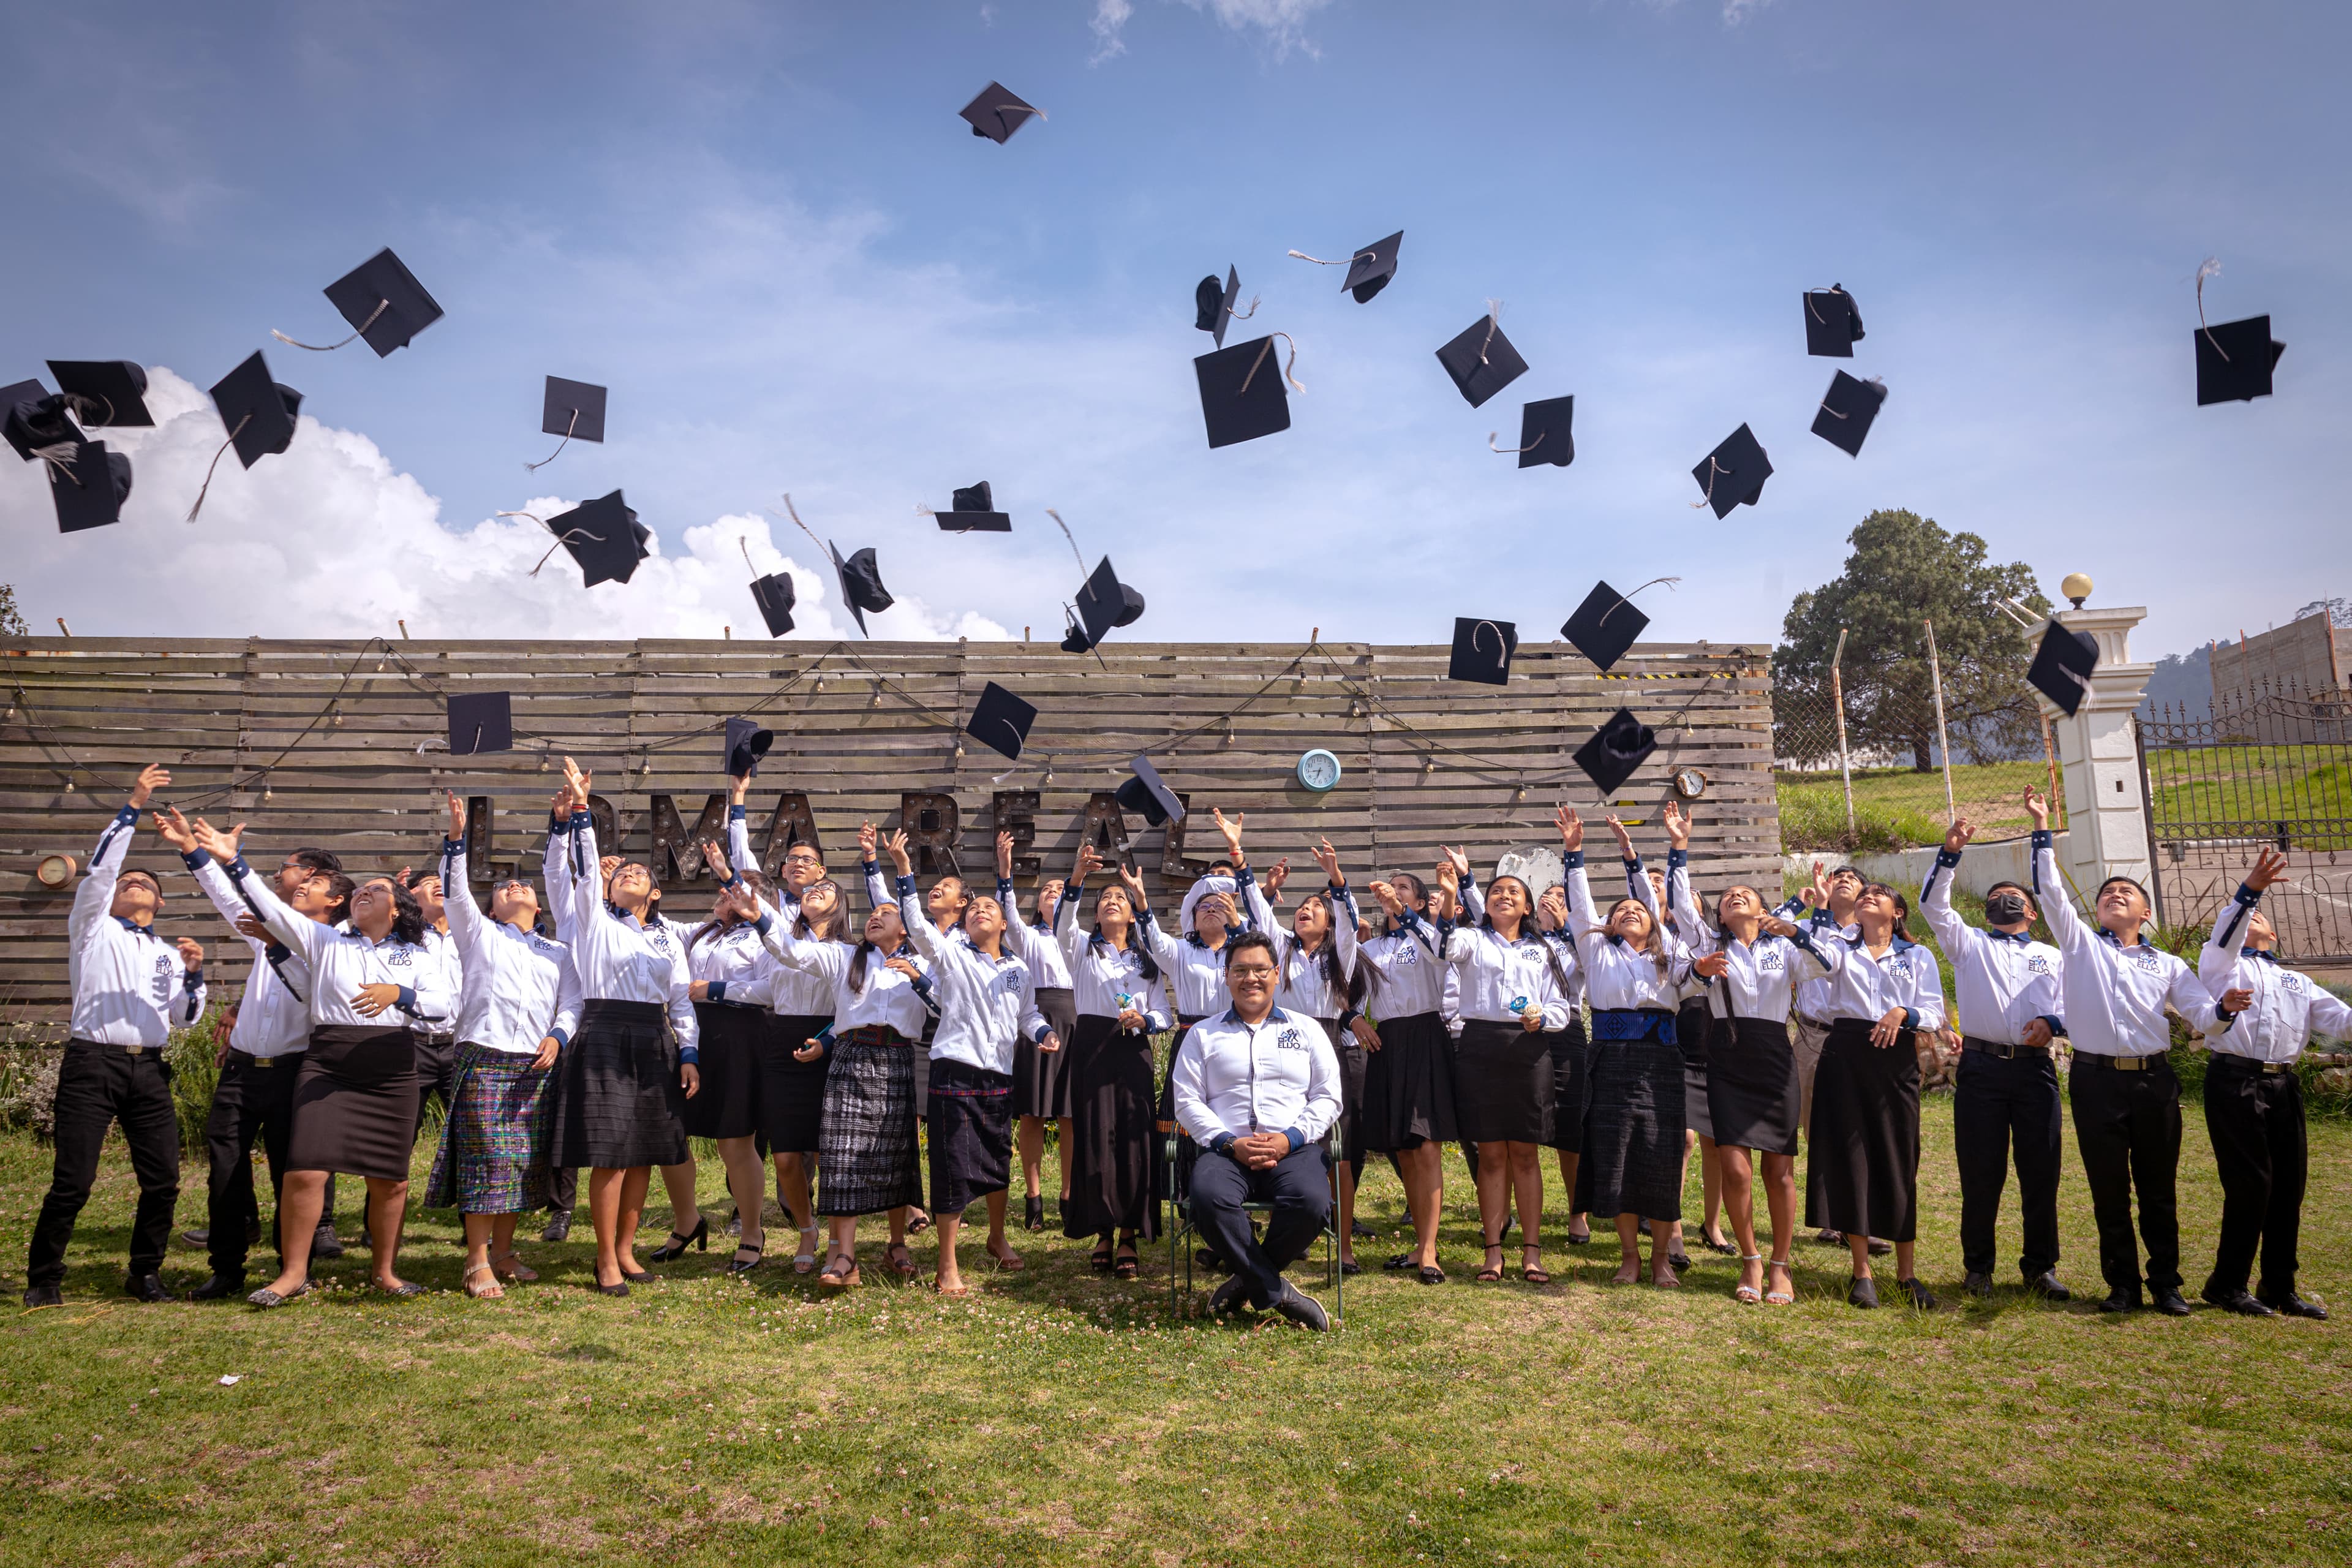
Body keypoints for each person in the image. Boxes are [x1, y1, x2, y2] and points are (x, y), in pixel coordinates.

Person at [190, 819, 452, 1306]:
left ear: (396, 908)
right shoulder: (327, 942)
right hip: (328, 1063)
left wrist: (402, 993)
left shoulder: (418, 955)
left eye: (377, 890)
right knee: (305, 1171)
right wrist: (234, 861)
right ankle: (292, 1274)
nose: (364, 894)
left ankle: (385, 1272)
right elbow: (269, 908)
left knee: (391, 1180)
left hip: (392, 1065)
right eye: (360, 891)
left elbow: (445, 1006)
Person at [2028, 787, 2239, 1315]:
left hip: (2154, 1082)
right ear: (2097, 910)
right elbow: (2051, 893)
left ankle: (2166, 1283)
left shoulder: (2166, 964)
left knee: (2158, 1188)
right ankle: (2122, 1285)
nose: (2115, 895)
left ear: (2145, 913)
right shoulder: (2079, 947)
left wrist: (2228, 1008)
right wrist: (2041, 829)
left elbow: (2203, 1017)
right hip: (2097, 1081)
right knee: (2108, 1191)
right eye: (2107, 893)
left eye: (2127, 892)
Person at [23, 766, 206, 1308]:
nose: (135, 884)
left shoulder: (168, 953)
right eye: (130, 881)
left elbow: (187, 1018)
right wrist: (133, 805)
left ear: (161, 904)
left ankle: (144, 1273)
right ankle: (45, 1277)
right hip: (92, 1064)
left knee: (164, 1180)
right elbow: (101, 872)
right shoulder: (93, 928)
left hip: (148, 1067)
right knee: (74, 1180)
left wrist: (194, 974)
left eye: (147, 883)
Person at [170, 815, 353, 1299]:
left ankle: (294, 1268)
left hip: (297, 1072)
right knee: (225, 1167)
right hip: (243, 1069)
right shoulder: (267, 931)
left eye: (311, 881)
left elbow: (311, 988)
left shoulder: (337, 946)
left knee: (290, 1174)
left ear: (335, 901)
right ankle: (227, 1268)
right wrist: (194, 852)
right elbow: (230, 901)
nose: (297, 886)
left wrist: (274, 944)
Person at [1664, 813, 1838, 1307]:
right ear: (1719, 915)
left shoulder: (1783, 947)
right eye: (1728, 897)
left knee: (1779, 1171)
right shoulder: (1709, 944)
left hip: (1774, 1057)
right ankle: (1751, 1258)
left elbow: (1828, 965)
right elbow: (1679, 904)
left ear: (1763, 909)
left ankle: (1781, 1265)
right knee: (1737, 1168)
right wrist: (1682, 846)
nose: (1736, 897)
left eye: (1746, 893)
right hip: (1727, 1056)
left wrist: (1800, 929)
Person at [543, 760, 701, 1297]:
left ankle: (628, 1252)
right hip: (604, 1029)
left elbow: (680, 999)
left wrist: (689, 1053)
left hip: (654, 1036)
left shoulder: (666, 940)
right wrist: (583, 814)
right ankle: (604, 1257)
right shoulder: (590, 921)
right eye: (620, 873)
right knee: (611, 1152)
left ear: (656, 894)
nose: (629, 875)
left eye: (641, 874)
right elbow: (573, 876)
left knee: (644, 1152)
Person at [753, 829, 933, 1286]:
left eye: (885, 913)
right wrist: (759, 916)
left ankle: (896, 1245)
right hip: (852, 1058)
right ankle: (845, 1258)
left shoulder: (926, 963)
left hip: (896, 1059)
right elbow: (790, 951)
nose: (876, 917)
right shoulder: (846, 956)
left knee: (896, 1153)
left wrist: (917, 978)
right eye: (871, 913)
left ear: (905, 929)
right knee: (843, 1153)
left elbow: (942, 1008)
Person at [423, 794, 581, 1299]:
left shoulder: (559, 952)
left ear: (538, 904)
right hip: (485, 1056)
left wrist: (558, 1038)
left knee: (520, 1161)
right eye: (503, 887)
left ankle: (506, 1252)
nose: (515, 885)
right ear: (491, 907)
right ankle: (476, 1260)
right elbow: (454, 894)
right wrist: (456, 838)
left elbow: (572, 1004)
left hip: (536, 1063)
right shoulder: (478, 934)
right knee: (486, 1158)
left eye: (524, 884)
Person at [888, 834, 1060, 1294]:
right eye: (974, 907)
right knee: (950, 1164)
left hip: (999, 1075)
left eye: (990, 907)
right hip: (954, 1070)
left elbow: (1028, 1015)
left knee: (997, 1159)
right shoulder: (951, 954)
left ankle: (996, 1238)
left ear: (1004, 923)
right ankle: (947, 1263)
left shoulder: (1019, 970)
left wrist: (1043, 1034)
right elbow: (919, 929)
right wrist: (904, 868)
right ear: (965, 921)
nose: (980, 910)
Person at [1921, 815, 2071, 1302]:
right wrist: (1950, 854)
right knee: (1981, 1172)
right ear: (1987, 912)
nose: (2004, 899)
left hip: (2034, 1071)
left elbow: (2071, 1004)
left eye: (2015, 896)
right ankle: (1978, 1268)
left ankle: (2039, 1267)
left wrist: (2054, 1022)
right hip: (1982, 1070)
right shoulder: (1970, 945)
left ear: (2031, 912)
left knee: (2041, 1171)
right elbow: (1934, 907)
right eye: (1996, 897)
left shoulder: (2052, 955)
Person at [1170, 931, 1342, 1331]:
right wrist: (1229, 1143)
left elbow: (1329, 1097)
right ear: (1226, 977)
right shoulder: (1203, 1035)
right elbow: (1187, 1101)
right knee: (1208, 1199)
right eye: (1241, 970)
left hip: (1294, 1149)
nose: (1251, 978)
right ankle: (1275, 1292)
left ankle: (1245, 1283)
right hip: (1226, 1152)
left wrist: (1290, 1138)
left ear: (1277, 975)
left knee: (1314, 1203)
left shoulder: (1307, 1030)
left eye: (1260, 970)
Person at [2196, 849, 2339, 1318]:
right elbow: (2226, 933)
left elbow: (2340, 1019)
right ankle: (2227, 1283)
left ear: (2273, 933)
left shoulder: (2295, 981)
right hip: (2235, 1081)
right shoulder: (2222, 964)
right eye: (2246, 915)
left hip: (2283, 1086)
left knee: (2288, 1187)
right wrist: (2250, 891)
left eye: (2259, 916)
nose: (2250, 918)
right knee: (2250, 1185)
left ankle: (2279, 1285)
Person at [1562, 808, 1692, 1288]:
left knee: (1659, 1155)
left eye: (1637, 909)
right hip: (1611, 1062)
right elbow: (1579, 906)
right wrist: (1573, 854)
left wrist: (1630, 853)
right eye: (1619, 912)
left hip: (1661, 1062)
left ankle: (1661, 1258)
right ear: (1609, 925)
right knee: (1615, 1153)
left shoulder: (1671, 950)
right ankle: (1630, 1256)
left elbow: (1651, 904)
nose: (1630, 912)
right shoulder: (1596, 950)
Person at [1435, 857, 1574, 1285]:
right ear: (1486, 903)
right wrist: (1449, 898)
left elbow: (1562, 1007)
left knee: (1526, 1155)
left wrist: (1542, 1020)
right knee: (1492, 1154)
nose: (1504, 896)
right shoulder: (1472, 940)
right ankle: (1493, 1250)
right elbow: (1445, 945)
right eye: (1497, 891)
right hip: (1479, 1047)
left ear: (1528, 907)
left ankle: (1532, 1252)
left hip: (1528, 1050)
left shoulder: (1542, 949)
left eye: (1514, 892)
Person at [1806, 879, 1943, 1309]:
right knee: (1852, 1159)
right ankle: (1861, 1272)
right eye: (1864, 894)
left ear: (1897, 912)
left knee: (1899, 1157)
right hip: (1845, 1055)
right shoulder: (1840, 948)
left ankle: (1907, 1274)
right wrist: (1810, 915)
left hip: (1896, 1060)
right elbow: (1816, 956)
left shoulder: (1917, 956)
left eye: (1878, 895)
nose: (1867, 896)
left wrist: (1905, 1011)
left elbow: (1936, 1011)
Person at [726, 777, 837, 1272]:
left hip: (826, 1035)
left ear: (825, 874)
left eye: (808, 860)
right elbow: (741, 861)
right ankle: (803, 1224)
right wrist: (738, 801)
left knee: (827, 1146)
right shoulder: (773, 909)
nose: (797, 865)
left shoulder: (840, 930)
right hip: (779, 1029)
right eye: (790, 860)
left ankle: (830, 1232)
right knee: (787, 1151)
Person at [1241, 838, 1365, 1272]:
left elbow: (1350, 924)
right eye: (1301, 906)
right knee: (1283, 1139)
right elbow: (1259, 912)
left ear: (1328, 922)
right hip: (1283, 1047)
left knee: (1340, 1153)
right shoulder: (1284, 950)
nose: (1306, 909)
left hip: (1330, 1044)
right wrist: (1240, 855)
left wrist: (1336, 876)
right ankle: (1290, 1234)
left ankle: (1344, 1244)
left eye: (1316, 906)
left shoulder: (1340, 955)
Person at [1054, 842, 1172, 1278]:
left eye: (1119, 898)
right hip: (1091, 1047)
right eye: (1105, 899)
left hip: (1133, 1048)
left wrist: (1145, 1021)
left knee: (1133, 1139)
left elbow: (1165, 1013)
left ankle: (1128, 1234)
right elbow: (1063, 922)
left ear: (1130, 912)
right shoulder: (1081, 951)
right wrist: (1078, 877)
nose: (1110, 903)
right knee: (1095, 1137)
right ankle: (1102, 1229)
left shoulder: (1146, 962)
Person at [669, 849, 776, 1277]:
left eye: (733, 889)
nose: (723, 893)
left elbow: (770, 991)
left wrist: (713, 990)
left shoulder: (766, 936)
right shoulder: (703, 932)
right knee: (672, 1136)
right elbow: (653, 927)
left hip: (740, 1037)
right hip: (692, 1038)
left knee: (735, 1142)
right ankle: (687, 1221)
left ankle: (752, 1230)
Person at [1356, 870, 1456, 1284]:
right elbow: (1350, 992)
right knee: (1406, 1150)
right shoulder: (1370, 948)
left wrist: (1407, 915)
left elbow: (1441, 955)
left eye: (1404, 889)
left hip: (1427, 1035)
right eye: (1390, 887)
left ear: (1419, 902)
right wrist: (1353, 1019)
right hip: (1389, 1041)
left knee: (1428, 1146)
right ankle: (1420, 1242)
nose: (1394, 893)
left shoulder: (1430, 938)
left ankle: (1431, 1250)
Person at [1781, 861, 1868, 1249]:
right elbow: (1803, 947)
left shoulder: (1873, 935)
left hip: (1861, 1040)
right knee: (1815, 1125)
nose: (1844, 882)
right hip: (1814, 1036)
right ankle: (1830, 1216)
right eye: (1838, 878)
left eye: (1853, 879)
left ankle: (1862, 1217)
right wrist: (1813, 900)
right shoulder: (1813, 928)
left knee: (1859, 1128)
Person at [996, 832, 1077, 1234]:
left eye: (1061, 889)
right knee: (1032, 1112)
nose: (1054, 893)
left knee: (1069, 1114)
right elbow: (1008, 917)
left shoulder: (1082, 942)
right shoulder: (1029, 939)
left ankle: (1067, 1195)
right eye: (1047, 889)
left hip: (1077, 1021)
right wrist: (1006, 870)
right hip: (1039, 1019)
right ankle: (1032, 1198)